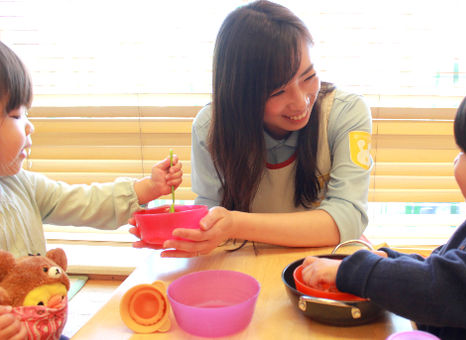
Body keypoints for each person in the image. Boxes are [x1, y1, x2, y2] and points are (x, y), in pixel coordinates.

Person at [135, 0, 373, 257]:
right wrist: (171, 231)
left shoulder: (346, 113)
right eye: (278, 91)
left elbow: (348, 217)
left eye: (308, 77)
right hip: (248, 258)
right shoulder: (210, 127)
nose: (301, 101)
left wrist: (236, 224)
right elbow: (210, 211)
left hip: (328, 259)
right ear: (240, 93)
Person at [301, 71, 466, 340]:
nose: (456, 162)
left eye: (465, 153)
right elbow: (444, 267)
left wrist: (351, 271)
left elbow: (436, 287)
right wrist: (390, 260)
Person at [0, 40, 183, 339]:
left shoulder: (23, 185)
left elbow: (84, 201)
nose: (30, 127)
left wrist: (148, 188)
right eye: (18, 116)